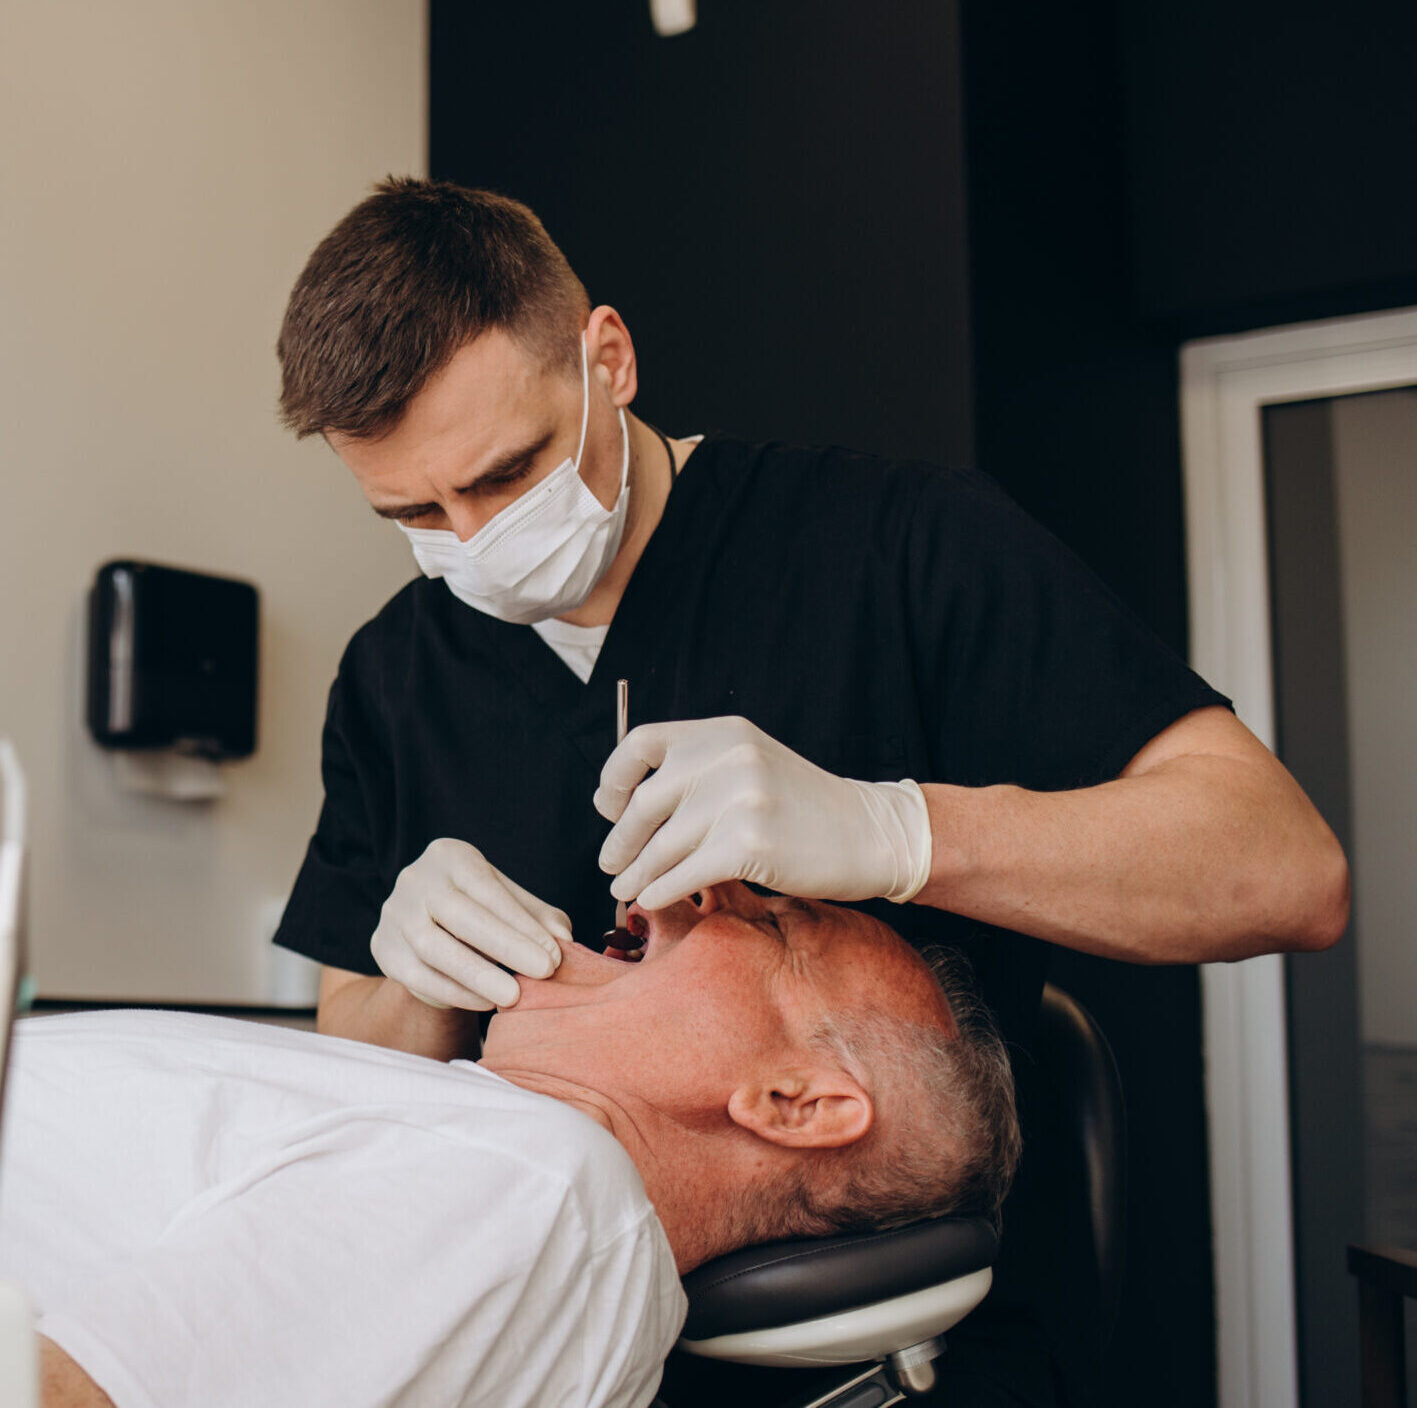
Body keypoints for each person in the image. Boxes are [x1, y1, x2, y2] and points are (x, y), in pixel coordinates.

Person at [270, 178, 1349, 1402]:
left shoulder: (901, 545)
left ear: (607, 360)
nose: (473, 540)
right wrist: (415, 989)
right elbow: (352, 1050)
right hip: (537, 1353)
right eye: (414, 511)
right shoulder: (393, 675)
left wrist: (898, 830)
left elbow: (1285, 870)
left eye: (508, 473)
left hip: (908, 1358)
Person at [1, 884, 1017, 1408]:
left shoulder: (539, 1187)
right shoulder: (503, 1164)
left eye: (770, 923)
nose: (694, 887)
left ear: (794, 1103)